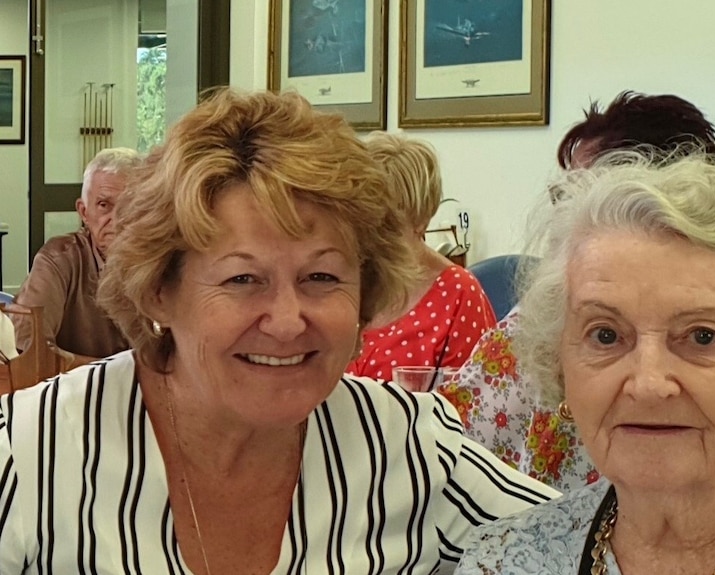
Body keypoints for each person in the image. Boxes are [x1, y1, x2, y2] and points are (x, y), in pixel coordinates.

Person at [0, 89, 558, 574]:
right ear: (158, 292)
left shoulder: (409, 447)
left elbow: (585, 544)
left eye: (321, 276)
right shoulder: (30, 452)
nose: (289, 321)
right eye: (243, 279)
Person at [455, 149, 715, 575]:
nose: (648, 384)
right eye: (606, 335)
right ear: (560, 367)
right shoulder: (505, 558)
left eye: (703, 337)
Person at [437, 91, 715, 490]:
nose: (563, 215)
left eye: (579, 194)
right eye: (563, 196)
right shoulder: (542, 320)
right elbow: (449, 434)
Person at [346, 131, 495, 383]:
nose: (371, 239)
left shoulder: (458, 295)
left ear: (422, 220)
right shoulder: (340, 278)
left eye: (387, 227)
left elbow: (470, 406)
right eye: (361, 223)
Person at [11, 147, 142, 368]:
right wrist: (114, 375)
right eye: (104, 205)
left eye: (129, 206)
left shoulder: (166, 261)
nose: (117, 220)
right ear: (84, 212)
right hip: (74, 396)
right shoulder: (57, 259)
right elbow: (28, 351)